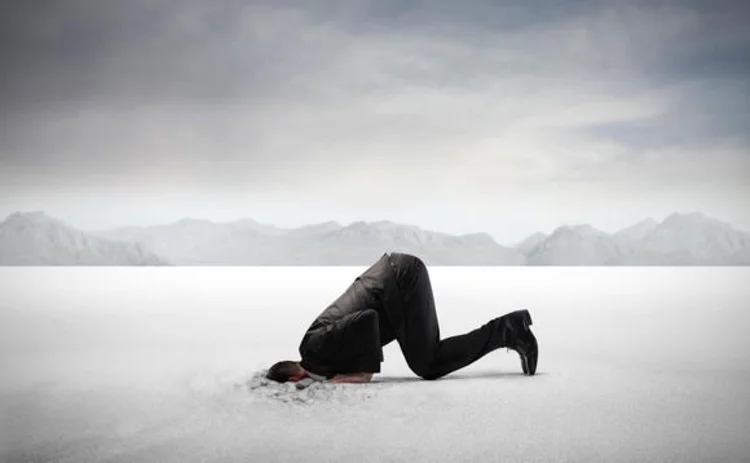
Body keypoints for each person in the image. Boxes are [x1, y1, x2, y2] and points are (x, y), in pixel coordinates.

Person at [266, 252, 538, 385]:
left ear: (293, 379)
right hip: (396, 286)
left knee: (428, 364)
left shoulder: (314, 348)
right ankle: (510, 329)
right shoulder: (318, 354)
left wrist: (364, 372)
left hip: (400, 280)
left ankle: (510, 329)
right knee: (428, 362)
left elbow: (368, 319)